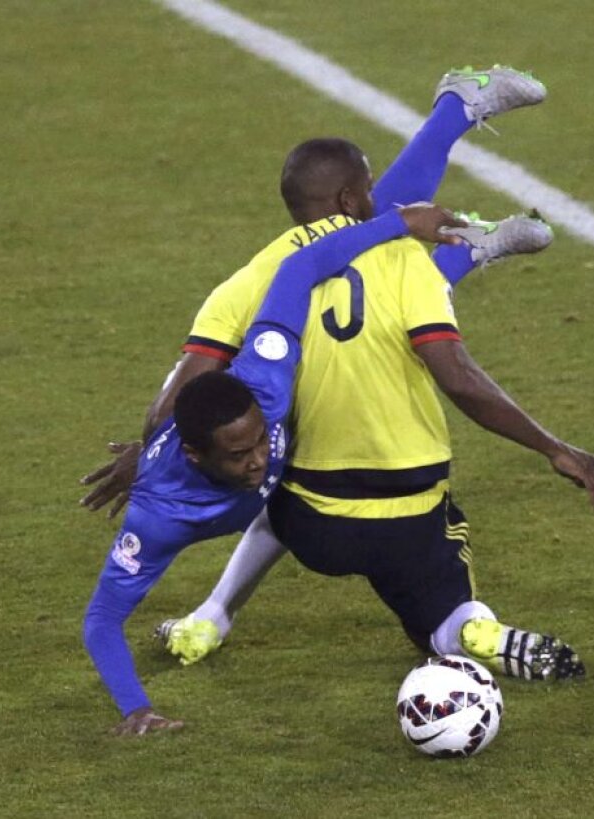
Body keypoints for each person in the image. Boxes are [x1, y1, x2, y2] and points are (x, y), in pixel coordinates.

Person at [82, 66, 594, 686]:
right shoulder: (399, 247)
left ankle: (212, 615)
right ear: (352, 201)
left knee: (264, 469)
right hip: (413, 505)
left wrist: (151, 450)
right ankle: (466, 233)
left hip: (316, 521)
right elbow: (457, 376)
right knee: (435, 624)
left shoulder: (253, 280)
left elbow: (191, 386)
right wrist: (554, 448)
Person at [82, 204, 465, 735]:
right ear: (196, 455)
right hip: (233, 488)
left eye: (261, 438)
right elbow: (101, 622)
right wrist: (136, 708)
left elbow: (299, 268)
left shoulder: (265, 370)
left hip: (299, 475)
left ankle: (462, 259)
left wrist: (401, 224)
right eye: (239, 454)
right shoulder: (158, 518)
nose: (258, 456)